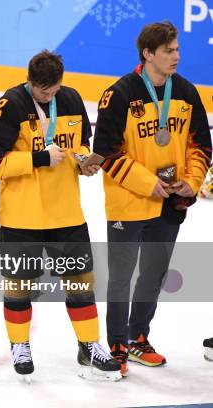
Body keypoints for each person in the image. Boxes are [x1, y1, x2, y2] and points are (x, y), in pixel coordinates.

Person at [0, 50, 121, 382]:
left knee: (81, 285)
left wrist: (84, 162)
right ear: (30, 81)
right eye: (43, 91)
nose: (49, 96)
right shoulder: (9, 106)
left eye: (53, 90)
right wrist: (39, 158)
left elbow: (79, 147)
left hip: (67, 216)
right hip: (21, 219)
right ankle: (20, 346)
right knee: (19, 288)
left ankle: (89, 345)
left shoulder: (70, 98)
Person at [93, 21, 211, 376]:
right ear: (148, 54)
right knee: (121, 274)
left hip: (170, 204)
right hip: (128, 203)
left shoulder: (187, 92)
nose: (176, 56)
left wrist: (191, 181)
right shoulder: (119, 94)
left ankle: (138, 337)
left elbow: (201, 145)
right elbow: (106, 153)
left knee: (154, 273)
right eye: (169, 51)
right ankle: (115, 342)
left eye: (177, 50)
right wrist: (148, 184)